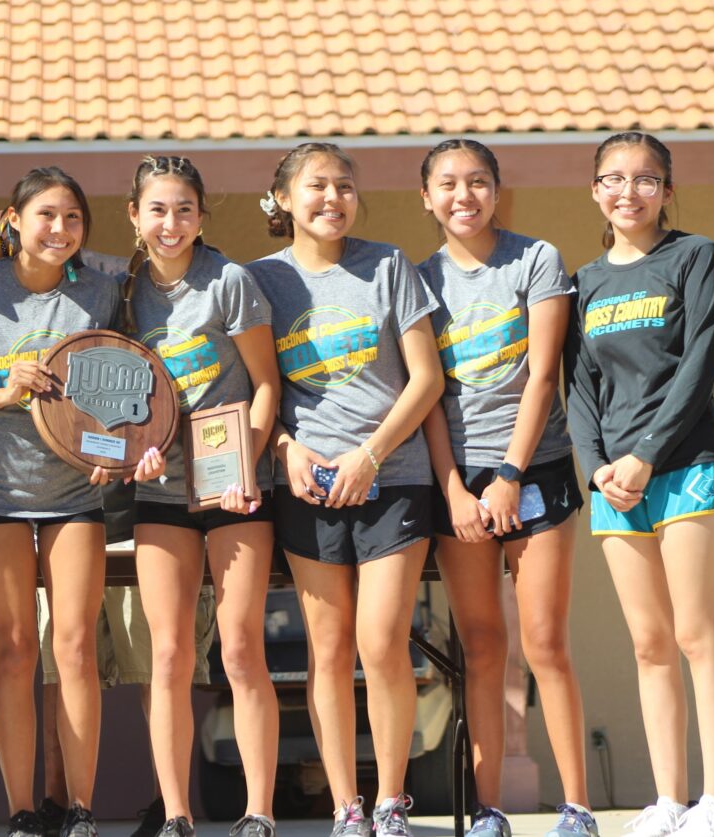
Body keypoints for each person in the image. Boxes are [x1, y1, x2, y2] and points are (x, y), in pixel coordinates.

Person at [0, 167, 162, 837]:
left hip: (73, 496)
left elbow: (130, 392)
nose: (59, 229)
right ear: (13, 219)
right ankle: (22, 811)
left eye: (71, 218)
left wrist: (116, 453)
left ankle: (83, 810)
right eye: (45, 216)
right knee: (12, 651)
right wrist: (5, 392)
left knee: (73, 650)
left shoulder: (98, 293)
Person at [248, 142, 444, 837]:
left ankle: (389, 800)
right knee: (326, 651)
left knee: (383, 640)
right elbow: (250, 391)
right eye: (316, 186)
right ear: (282, 200)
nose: (331, 198)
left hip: (392, 479)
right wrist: (284, 449)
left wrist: (370, 454)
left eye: (344, 186)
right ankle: (345, 808)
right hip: (304, 485)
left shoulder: (386, 264)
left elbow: (426, 379)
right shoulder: (257, 281)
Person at [566, 132, 714, 837]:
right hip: (615, 483)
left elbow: (697, 365)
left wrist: (644, 453)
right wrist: (598, 467)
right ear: (594, 191)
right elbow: (577, 389)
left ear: (666, 191)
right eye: (612, 179)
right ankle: (668, 800)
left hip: (687, 468)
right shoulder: (585, 281)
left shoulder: (694, 256)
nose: (628, 192)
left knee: (696, 631)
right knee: (648, 644)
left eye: (646, 180)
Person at [415, 139, 595, 837]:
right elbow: (427, 394)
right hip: (458, 484)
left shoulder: (534, 258)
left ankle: (575, 808)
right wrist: (455, 489)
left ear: (497, 190)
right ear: (427, 196)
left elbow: (543, 375)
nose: (464, 195)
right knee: (482, 647)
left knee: (545, 641)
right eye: (449, 184)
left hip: (534, 473)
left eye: (478, 182)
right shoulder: (416, 280)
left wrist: (510, 476)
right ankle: (488, 810)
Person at [120, 155, 280, 837]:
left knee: (240, 647)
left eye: (183, 209)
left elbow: (267, 383)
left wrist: (243, 462)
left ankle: (258, 812)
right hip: (160, 491)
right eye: (157, 209)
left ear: (200, 215)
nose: (170, 222)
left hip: (234, 486)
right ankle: (177, 814)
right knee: (169, 653)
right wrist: (135, 445)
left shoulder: (230, 282)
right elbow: (117, 398)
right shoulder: (123, 297)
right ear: (134, 215)